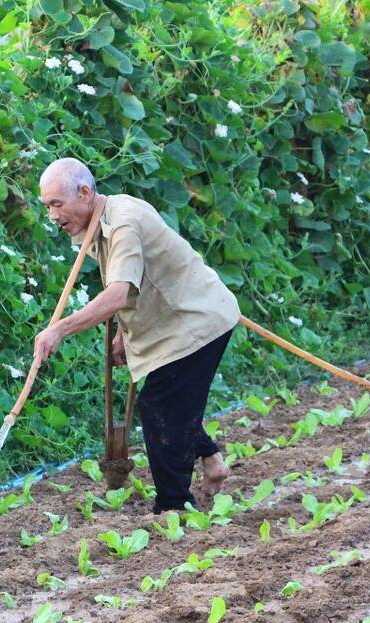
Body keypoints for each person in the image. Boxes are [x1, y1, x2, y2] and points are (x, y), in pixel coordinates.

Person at [32, 157, 240, 515]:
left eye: (56, 204)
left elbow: (118, 293)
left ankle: (174, 505)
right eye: (47, 206)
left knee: (160, 404)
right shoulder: (100, 220)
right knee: (171, 403)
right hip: (171, 323)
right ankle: (211, 459)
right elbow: (132, 289)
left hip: (196, 322)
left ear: (84, 192)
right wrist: (122, 336)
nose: (52, 215)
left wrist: (59, 329)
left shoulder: (123, 221)